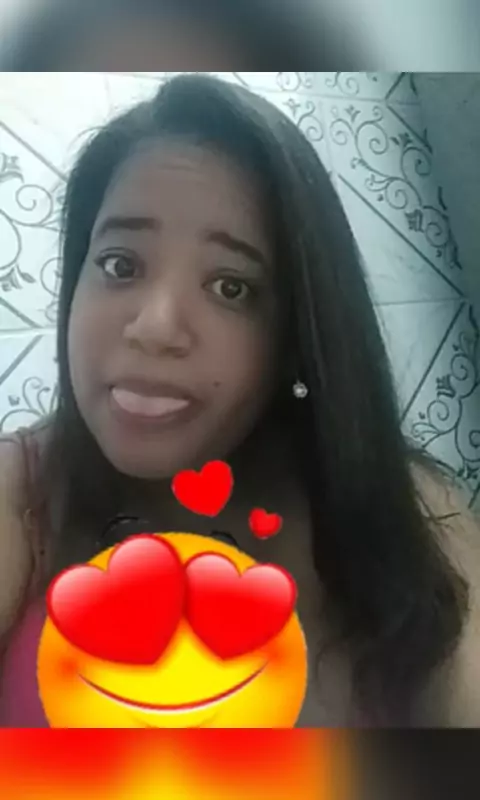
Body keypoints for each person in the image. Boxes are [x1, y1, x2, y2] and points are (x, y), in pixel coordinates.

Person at [0, 73, 478, 728]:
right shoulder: (21, 495)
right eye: (119, 264)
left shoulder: (408, 518)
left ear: (295, 338)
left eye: (231, 287)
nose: (154, 326)